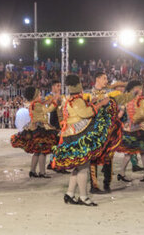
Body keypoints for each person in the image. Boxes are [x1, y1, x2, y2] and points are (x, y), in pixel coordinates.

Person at [52, 74, 119, 206]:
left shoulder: (69, 99)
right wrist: (100, 104)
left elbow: (81, 110)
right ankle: (83, 197)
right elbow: (86, 113)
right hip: (78, 135)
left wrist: (91, 103)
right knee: (83, 167)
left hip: (69, 134)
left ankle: (70, 194)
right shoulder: (77, 100)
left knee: (77, 167)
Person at [83, 71, 132, 193]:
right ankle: (94, 186)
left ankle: (106, 183)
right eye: (104, 78)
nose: (106, 81)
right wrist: (92, 104)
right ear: (98, 79)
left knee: (108, 156)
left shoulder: (109, 94)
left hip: (108, 131)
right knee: (93, 157)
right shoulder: (88, 94)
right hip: (94, 130)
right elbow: (84, 112)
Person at [11, 86, 59, 178]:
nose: (41, 96)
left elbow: (43, 104)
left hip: (34, 129)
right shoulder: (37, 104)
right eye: (40, 94)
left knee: (37, 152)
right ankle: (42, 172)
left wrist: (50, 100)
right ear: (35, 96)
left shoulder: (34, 103)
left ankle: (32, 171)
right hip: (40, 130)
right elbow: (47, 110)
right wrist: (54, 102)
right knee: (42, 152)